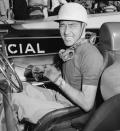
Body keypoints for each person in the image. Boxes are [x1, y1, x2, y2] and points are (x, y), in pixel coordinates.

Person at [10, 2, 103, 126]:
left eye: (72, 25)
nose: (66, 32)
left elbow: (87, 105)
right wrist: (44, 70)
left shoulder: (90, 55)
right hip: (59, 97)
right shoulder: (73, 48)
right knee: (17, 88)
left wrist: (58, 81)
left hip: (71, 111)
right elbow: (72, 74)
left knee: (13, 100)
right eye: (62, 25)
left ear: (83, 26)